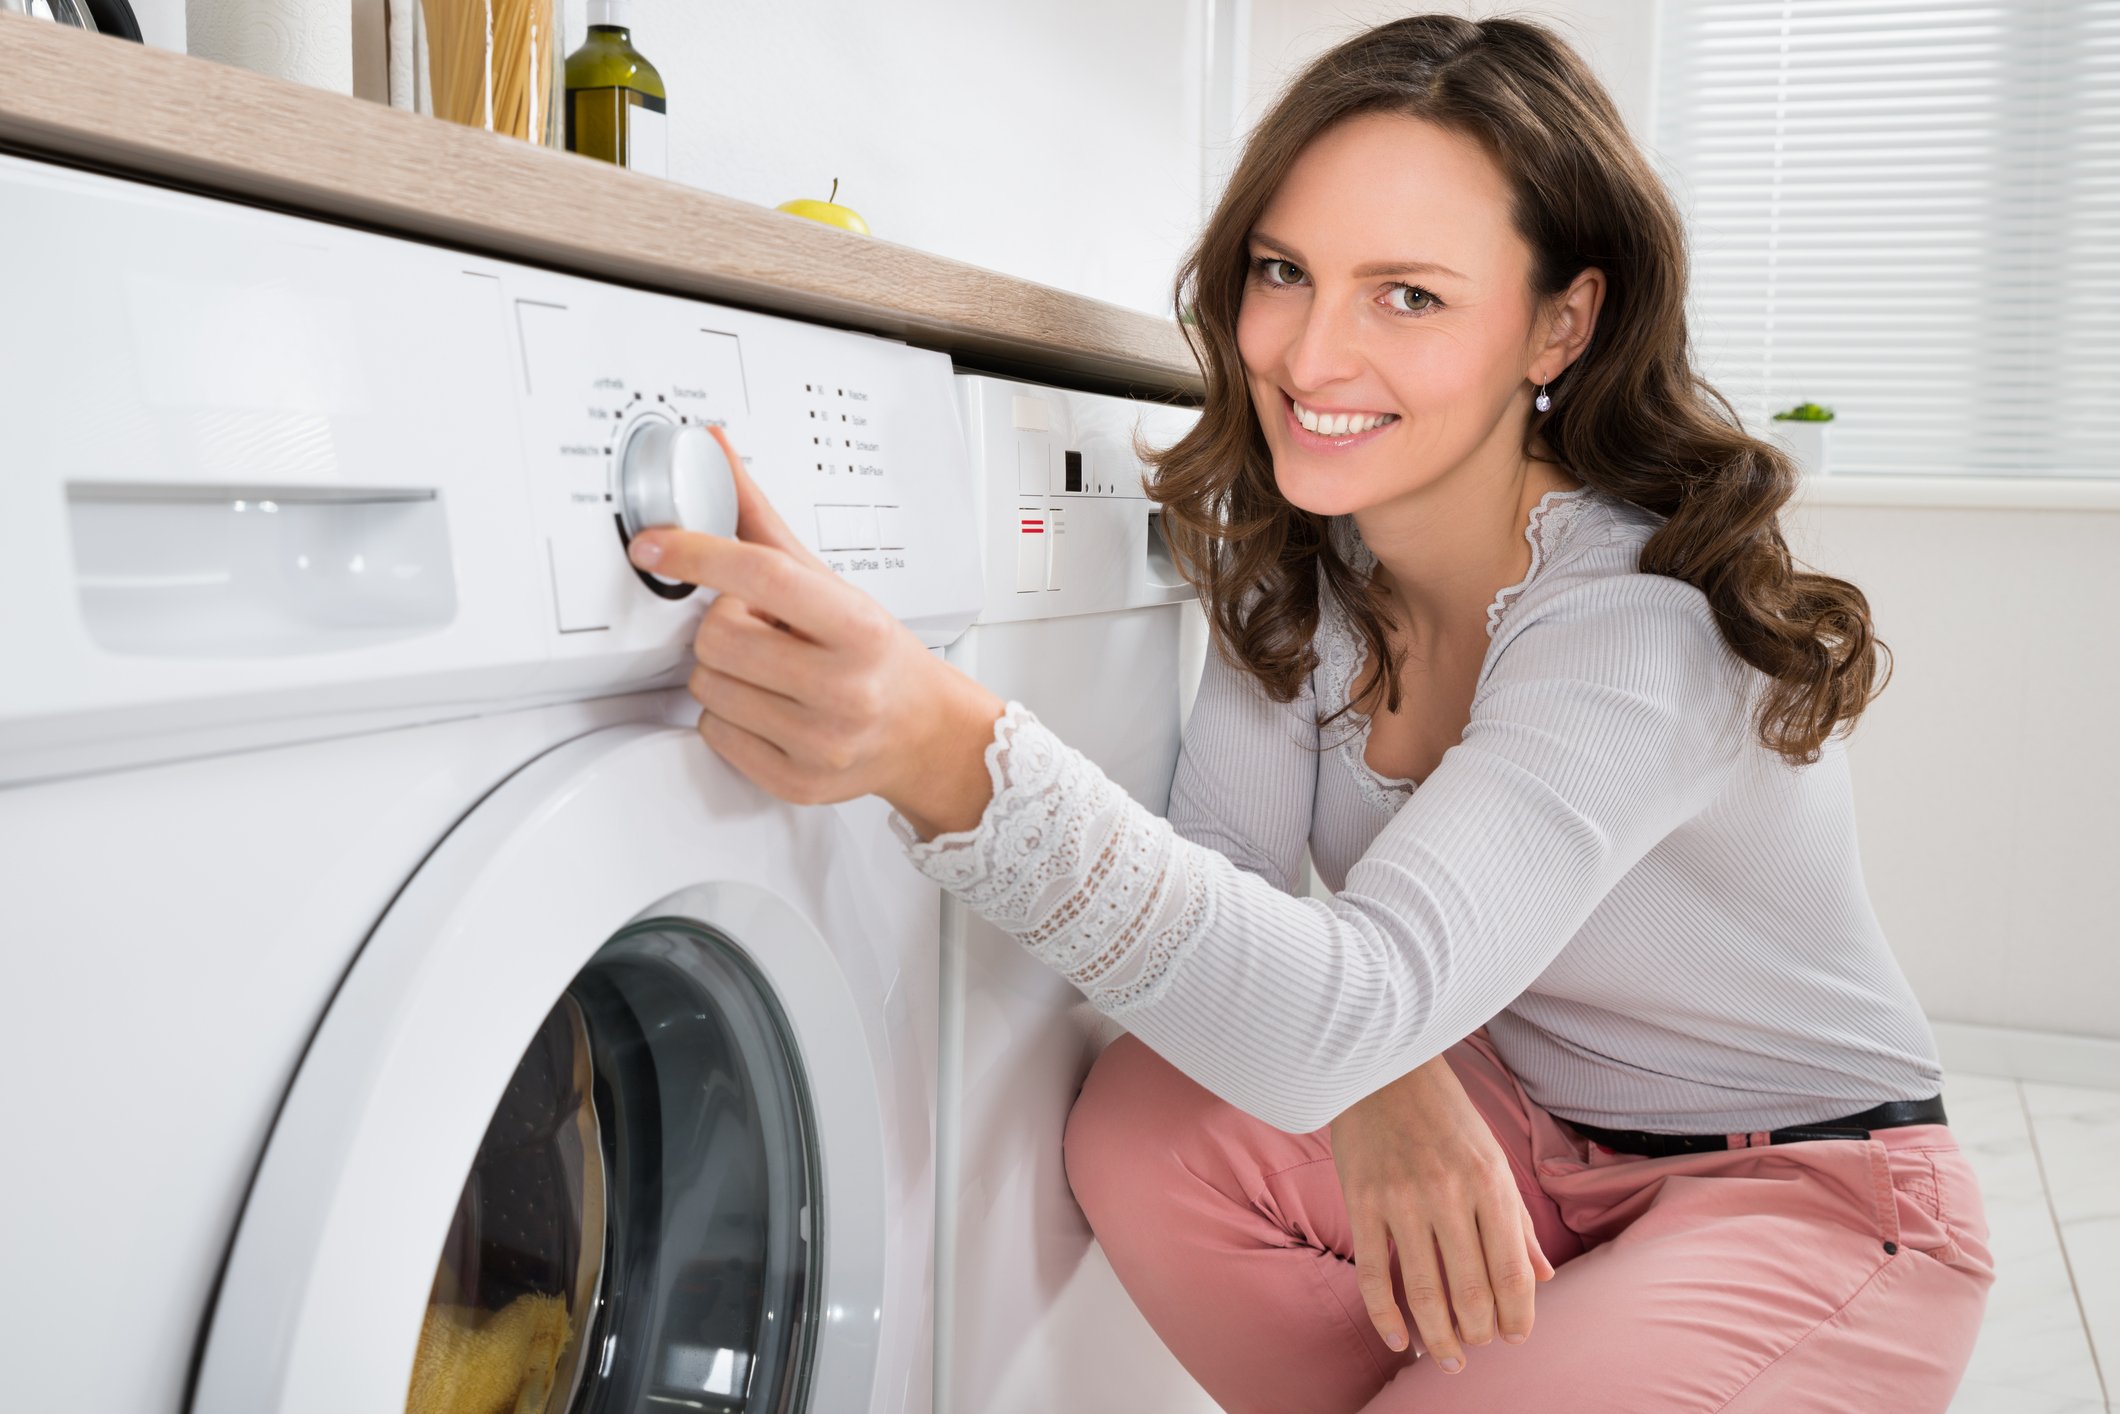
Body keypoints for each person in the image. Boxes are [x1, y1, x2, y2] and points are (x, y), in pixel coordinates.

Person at [621, 13, 1995, 1410]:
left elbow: (1325, 992)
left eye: (1409, 296)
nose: (1312, 354)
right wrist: (1375, 1072)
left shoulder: (1640, 624)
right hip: (1523, 1124)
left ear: (1561, 323)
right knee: (1149, 1125)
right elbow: (1224, 889)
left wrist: (939, 745)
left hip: (1803, 1190)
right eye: (1284, 271)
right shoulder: (1316, 569)